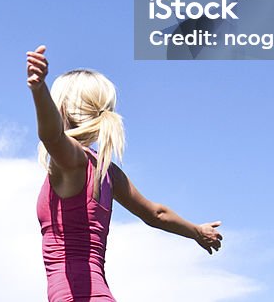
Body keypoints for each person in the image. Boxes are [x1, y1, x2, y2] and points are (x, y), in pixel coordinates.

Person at [27, 44, 222, 302]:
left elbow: (51, 136)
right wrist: (197, 231)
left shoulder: (73, 161)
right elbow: (156, 214)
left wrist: (39, 91)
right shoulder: (107, 172)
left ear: (62, 108)